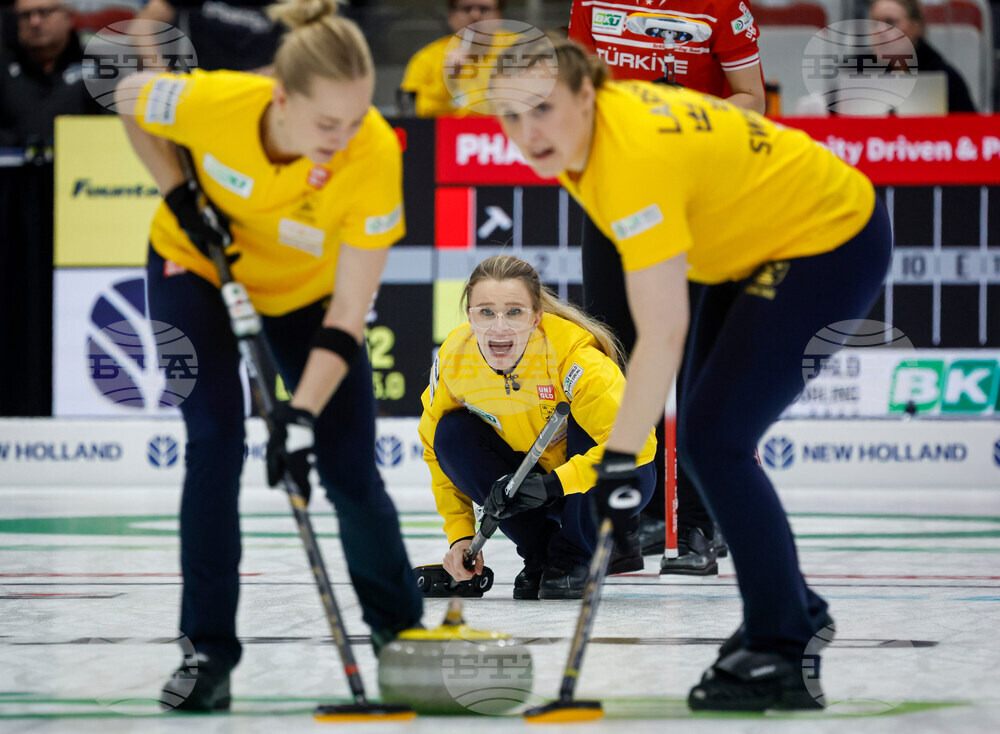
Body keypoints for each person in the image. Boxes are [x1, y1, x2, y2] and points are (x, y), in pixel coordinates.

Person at [490, 37, 891, 710]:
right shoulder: (580, 138)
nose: (526, 135)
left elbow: (662, 330)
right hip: (746, 240)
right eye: (509, 118)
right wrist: (622, 460)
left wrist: (618, 460)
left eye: (541, 109)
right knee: (709, 438)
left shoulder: (628, 156)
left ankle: (780, 650)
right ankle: (794, 608)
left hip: (828, 235)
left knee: (713, 439)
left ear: (586, 93)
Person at [114, 0, 422, 712]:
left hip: (306, 297)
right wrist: (180, 193)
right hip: (191, 267)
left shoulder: (371, 154)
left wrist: (299, 414)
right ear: (282, 97)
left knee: (348, 467)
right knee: (215, 442)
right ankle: (207, 652)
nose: (343, 139)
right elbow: (127, 96)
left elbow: (348, 314)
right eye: (326, 125)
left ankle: (401, 638)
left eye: (355, 120)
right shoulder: (219, 101)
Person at [568, 0, 766, 574]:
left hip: (696, 195)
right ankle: (631, 523)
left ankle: (699, 526)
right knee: (617, 357)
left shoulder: (721, 5)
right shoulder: (592, 3)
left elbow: (752, 96)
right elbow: (581, 90)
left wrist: (676, 117)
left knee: (695, 358)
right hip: (614, 190)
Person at [419, 255, 658, 600]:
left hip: (606, 481)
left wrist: (554, 484)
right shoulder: (455, 360)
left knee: (587, 422)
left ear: (536, 316)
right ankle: (542, 552)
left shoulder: (573, 355)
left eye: (514, 312)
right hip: (531, 483)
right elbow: (433, 448)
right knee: (451, 433)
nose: (499, 327)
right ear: (469, 315)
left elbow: (635, 446)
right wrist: (460, 535)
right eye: (486, 312)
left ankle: (576, 552)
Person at [397, 0, 504, 117]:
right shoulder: (426, 59)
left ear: (499, 17)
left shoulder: (519, 50)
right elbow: (414, 115)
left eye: (484, 9)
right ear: (451, 17)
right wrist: (447, 80)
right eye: (466, 9)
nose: (475, 16)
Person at [868, 0, 977, 112]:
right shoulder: (857, 71)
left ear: (916, 27)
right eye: (874, 23)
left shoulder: (945, 78)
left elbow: (970, 127)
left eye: (890, 22)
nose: (880, 31)